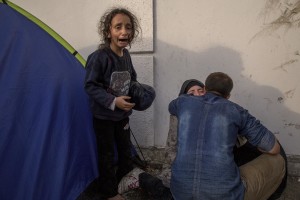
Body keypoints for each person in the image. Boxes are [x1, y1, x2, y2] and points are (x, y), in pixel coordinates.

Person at [168, 72, 286, 200]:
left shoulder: (182, 102)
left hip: (180, 193)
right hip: (224, 195)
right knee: (278, 160)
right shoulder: (237, 111)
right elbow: (274, 148)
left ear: (205, 89)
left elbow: (171, 107)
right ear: (228, 96)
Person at [84, 7, 142, 200]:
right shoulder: (99, 58)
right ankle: (109, 193)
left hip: (122, 116)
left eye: (128, 27)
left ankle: (125, 180)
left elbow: (131, 78)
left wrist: (137, 92)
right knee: (107, 154)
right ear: (108, 32)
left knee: (125, 149)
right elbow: (90, 86)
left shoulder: (126, 56)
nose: (124, 31)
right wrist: (113, 101)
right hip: (104, 117)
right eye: (118, 27)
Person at [118, 79, 205, 199]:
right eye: (191, 93)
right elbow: (172, 146)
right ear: (183, 98)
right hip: (183, 170)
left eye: (201, 91)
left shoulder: (217, 114)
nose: (197, 95)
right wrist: (168, 175)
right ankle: (140, 177)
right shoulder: (178, 115)